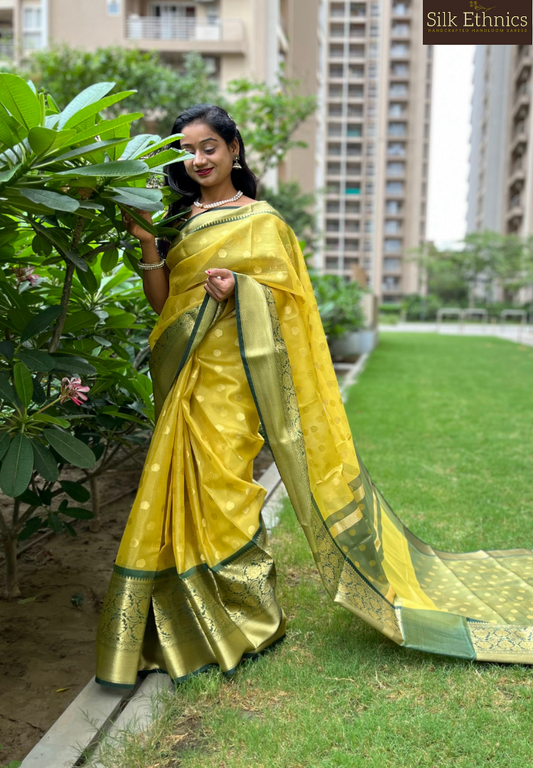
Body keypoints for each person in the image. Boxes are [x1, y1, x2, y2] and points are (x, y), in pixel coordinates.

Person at [95, 105, 533, 688]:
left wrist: (241, 288)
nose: (197, 160)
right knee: (182, 489)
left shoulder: (263, 222)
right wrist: (149, 242)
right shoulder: (178, 222)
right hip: (187, 376)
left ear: (234, 149)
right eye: (187, 150)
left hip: (234, 379)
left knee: (226, 485)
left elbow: (291, 305)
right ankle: (186, 620)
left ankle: (248, 618)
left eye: (208, 148)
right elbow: (163, 303)